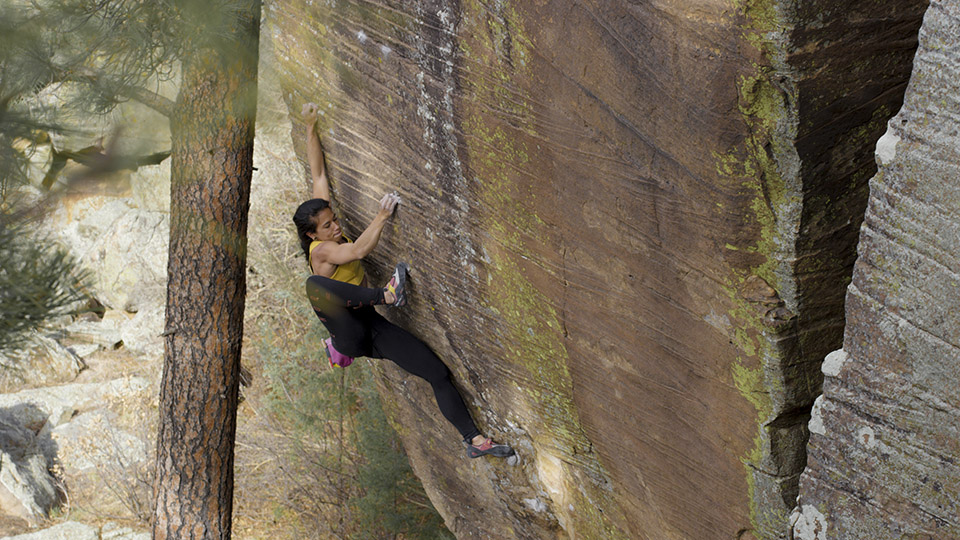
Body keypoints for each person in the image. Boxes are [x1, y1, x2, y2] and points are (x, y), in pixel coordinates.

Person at [293, 102, 513, 459]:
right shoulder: (321, 251)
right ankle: (388, 295)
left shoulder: (325, 224)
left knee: (436, 372)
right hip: (346, 329)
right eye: (328, 225)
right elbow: (359, 251)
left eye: (334, 220)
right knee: (313, 286)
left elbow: (319, 175)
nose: (336, 227)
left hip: (371, 328)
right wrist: (381, 216)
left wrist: (309, 126)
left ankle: (474, 440)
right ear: (311, 234)